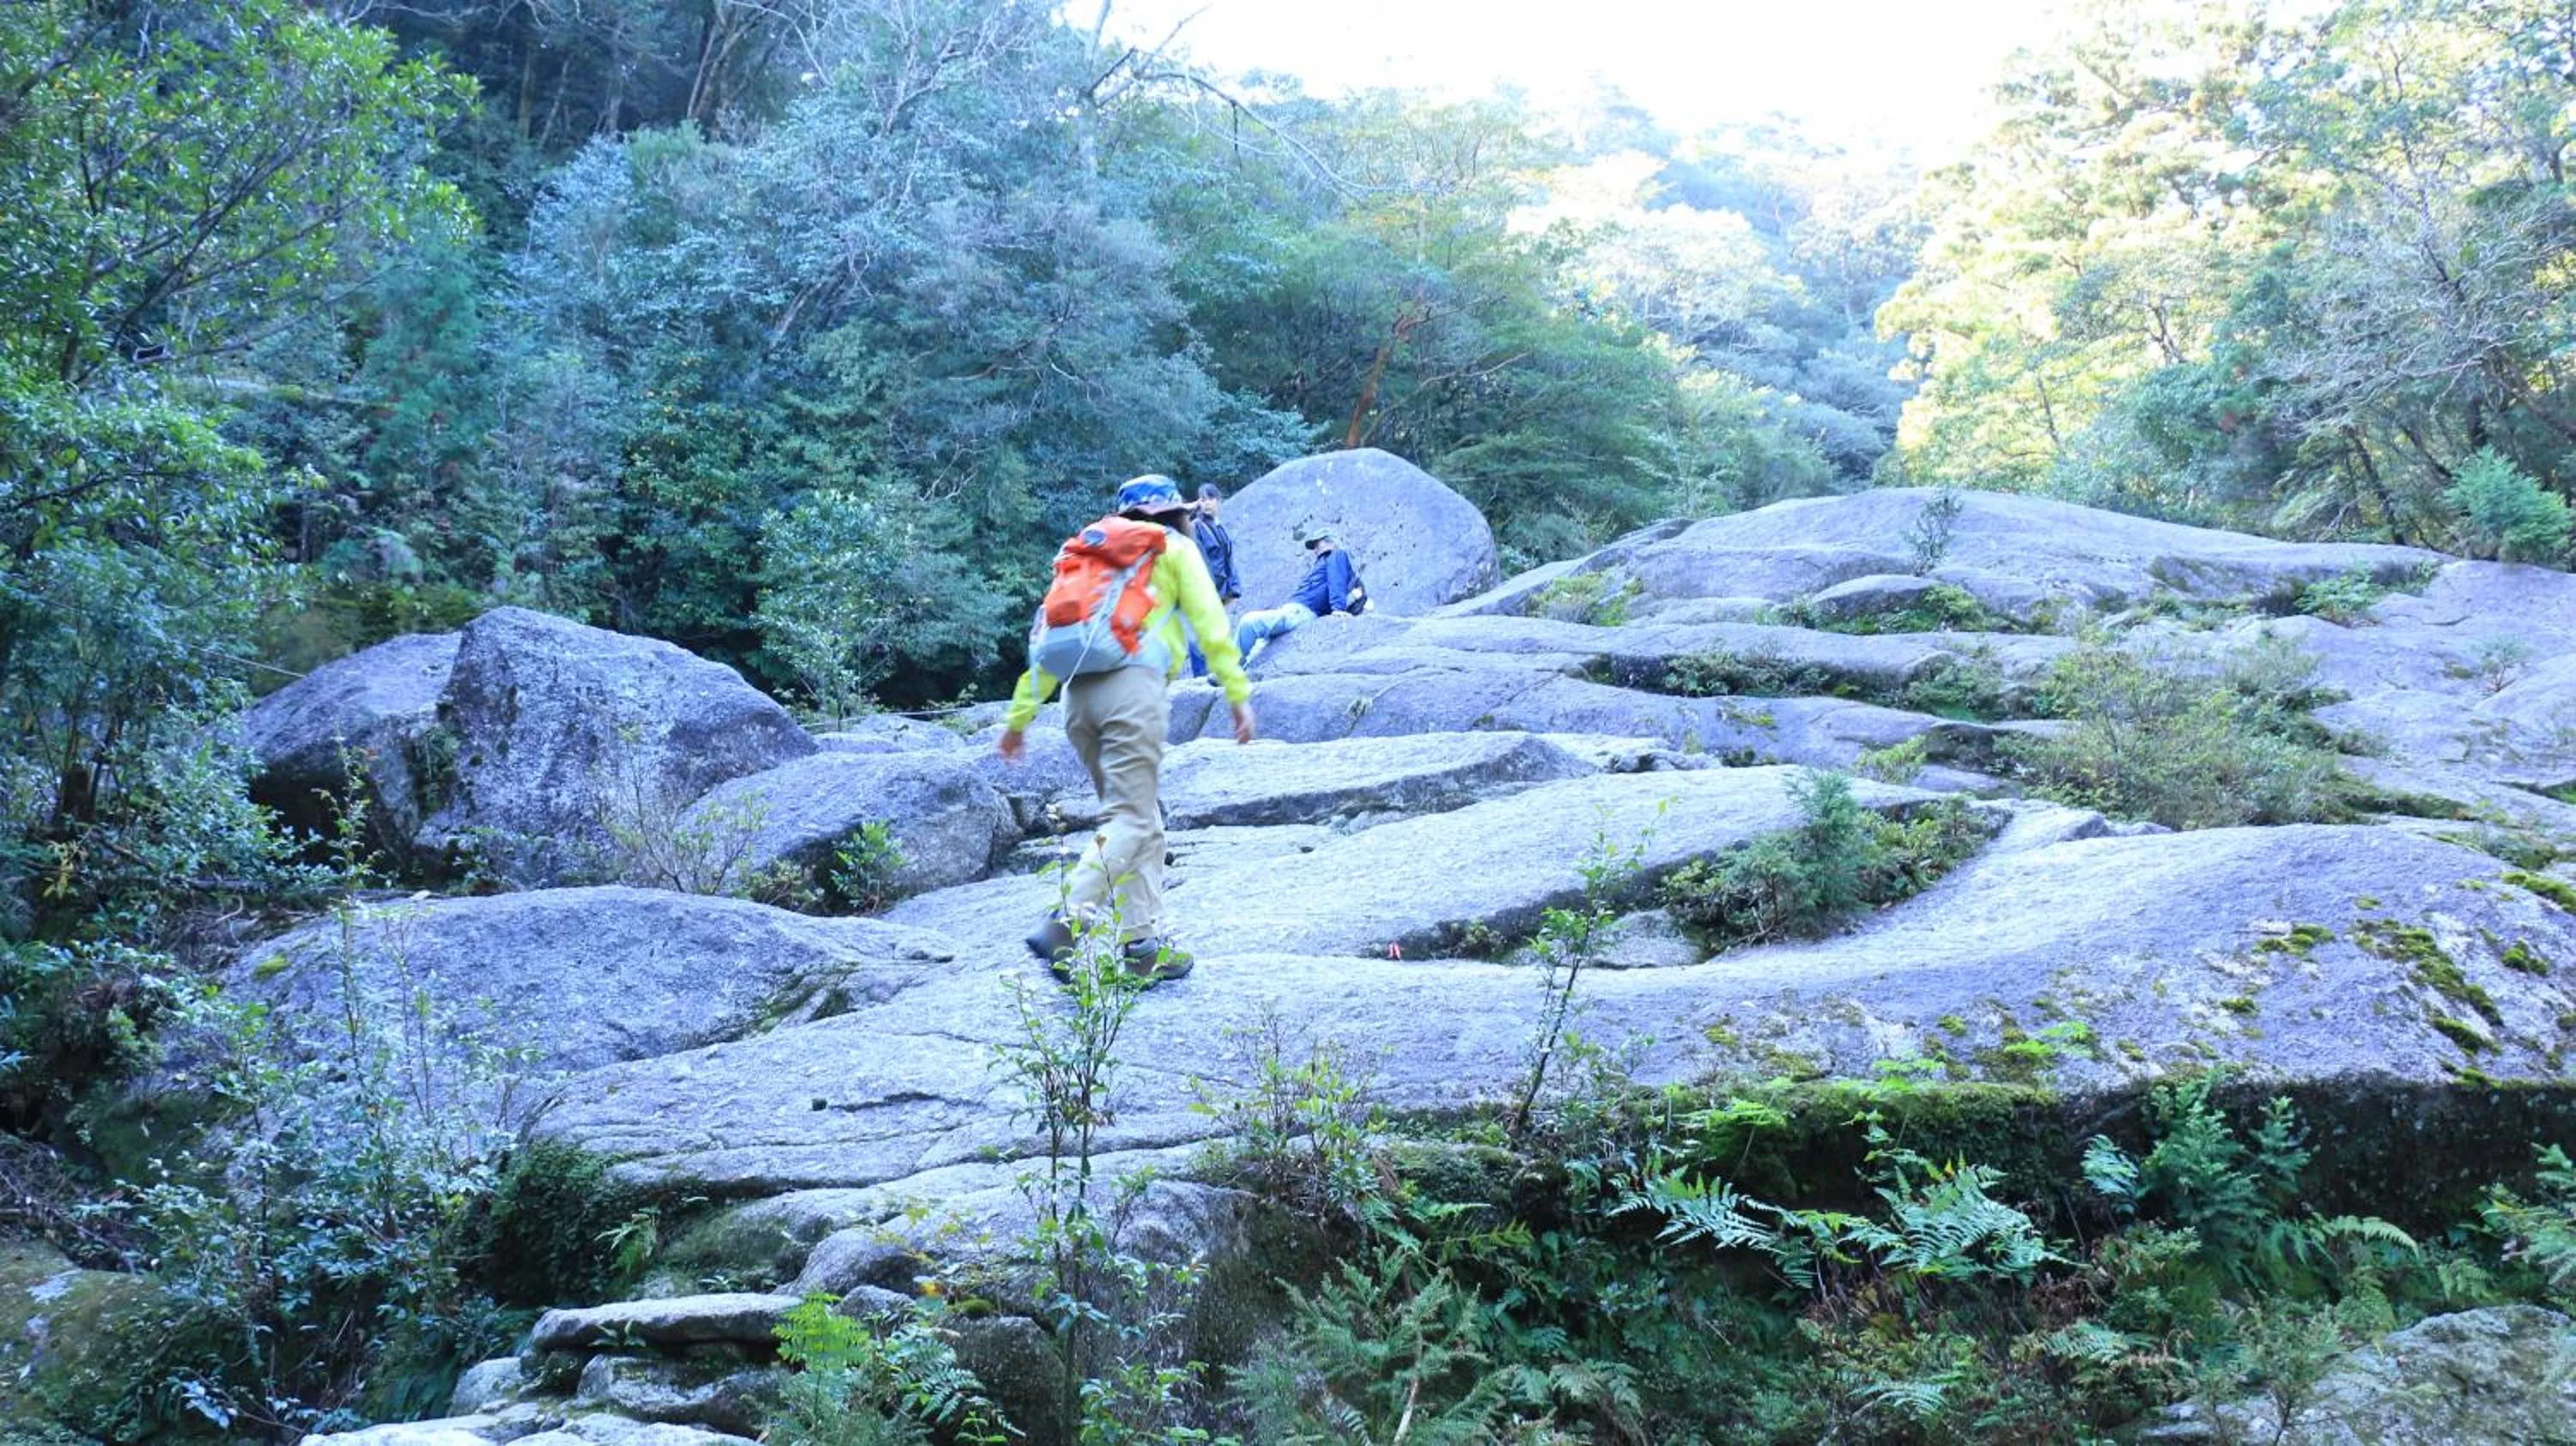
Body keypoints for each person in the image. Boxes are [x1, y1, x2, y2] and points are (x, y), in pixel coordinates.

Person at [998, 475, 1255, 981]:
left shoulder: (1087, 556)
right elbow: (1211, 623)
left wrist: (1020, 717)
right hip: (1132, 692)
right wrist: (1237, 693)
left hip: (1077, 700)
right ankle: (1066, 921)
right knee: (1133, 822)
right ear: (1173, 514)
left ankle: (1142, 947)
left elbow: (1050, 640)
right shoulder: (1173, 547)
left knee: (1140, 822)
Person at [1234, 520, 1358, 663]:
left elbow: (1337, 580)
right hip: (1296, 610)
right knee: (1256, 654)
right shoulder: (1322, 562)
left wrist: (1338, 608)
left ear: (1331, 543)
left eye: (1318, 544)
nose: (1315, 549)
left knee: (1249, 622)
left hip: (1301, 611)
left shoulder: (1337, 555)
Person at [1186, 483, 1241, 679]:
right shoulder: (1196, 527)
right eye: (1202, 499)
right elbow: (1196, 561)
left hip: (1218, 590)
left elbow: (1227, 561)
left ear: (1219, 500)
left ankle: (1216, 674)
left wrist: (1232, 590)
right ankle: (1201, 679)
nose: (1206, 503)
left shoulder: (1218, 527)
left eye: (1210, 498)